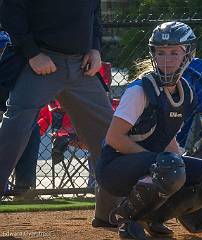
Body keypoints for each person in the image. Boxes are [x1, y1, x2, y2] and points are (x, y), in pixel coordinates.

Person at [95, 21, 202, 239]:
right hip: (115, 168)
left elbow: (168, 139)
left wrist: (187, 180)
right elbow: (113, 138)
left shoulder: (186, 91)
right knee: (169, 165)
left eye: (174, 52)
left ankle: (156, 218)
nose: (166, 59)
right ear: (153, 55)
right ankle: (126, 219)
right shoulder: (141, 89)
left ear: (187, 54)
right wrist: (162, 163)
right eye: (160, 52)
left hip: (153, 164)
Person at [0, 0, 120, 223]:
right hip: (40, 62)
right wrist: (32, 53)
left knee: (109, 138)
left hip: (81, 66)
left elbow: (94, 11)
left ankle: (111, 213)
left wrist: (95, 48)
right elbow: (10, 9)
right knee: (12, 134)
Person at [0, 30, 40, 199]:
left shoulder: (13, 68)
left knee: (31, 128)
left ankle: (24, 188)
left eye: (3, 50)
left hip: (8, 117)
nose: (1, 53)